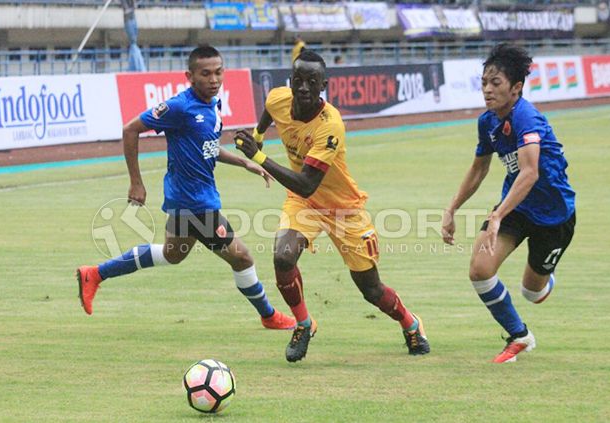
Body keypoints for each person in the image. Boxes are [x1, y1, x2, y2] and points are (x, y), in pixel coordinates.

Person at [76, 45, 296, 331]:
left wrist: (244, 164)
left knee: (173, 254)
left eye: (218, 72)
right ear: (190, 76)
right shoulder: (179, 107)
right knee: (242, 258)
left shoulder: (212, 105)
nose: (214, 79)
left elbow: (207, 148)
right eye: (205, 74)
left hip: (190, 199)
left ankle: (94, 274)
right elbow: (130, 129)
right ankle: (268, 315)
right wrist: (136, 181)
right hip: (195, 203)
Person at [234, 49, 429, 362]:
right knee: (283, 258)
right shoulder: (277, 98)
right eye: (299, 80)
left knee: (371, 289)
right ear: (291, 80)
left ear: (323, 85)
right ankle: (304, 324)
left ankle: (410, 323)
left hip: (344, 209)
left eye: (313, 82)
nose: (304, 88)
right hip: (304, 203)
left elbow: (307, 182)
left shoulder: (330, 125)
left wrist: (257, 155)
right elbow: (270, 112)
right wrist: (257, 135)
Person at [441, 44, 576, 363]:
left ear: (516, 88)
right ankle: (520, 336)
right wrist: (452, 208)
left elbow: (529, 173)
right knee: (480, 269)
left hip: (554, 216)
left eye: (496, 83)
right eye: (484, 82)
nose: (487, 89)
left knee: (533, 293)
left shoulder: (527, 118)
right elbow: (479, 167)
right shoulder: (487, 121)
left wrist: (497, 215)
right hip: (515, 209)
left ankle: (544, 275)